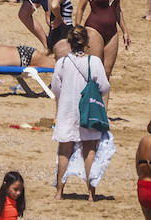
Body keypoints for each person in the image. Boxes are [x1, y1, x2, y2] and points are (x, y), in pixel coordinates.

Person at [50, 26, 109, 202]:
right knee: (89, 151)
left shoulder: (62, 62)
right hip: (88, 111)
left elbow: (56, 88)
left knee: (64, 151)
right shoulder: (94, 62)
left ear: (70, 42)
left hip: (67, 110)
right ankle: (91, 194)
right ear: (86, 42)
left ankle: (59, 192)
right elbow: (105, 87)